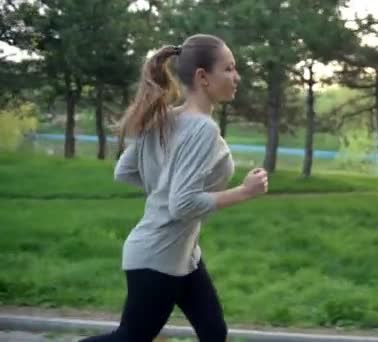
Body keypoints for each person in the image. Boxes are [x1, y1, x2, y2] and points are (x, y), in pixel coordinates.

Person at [80, 34, 268, 342]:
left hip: (185, 255)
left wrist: (163, 185)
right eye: (229, 69)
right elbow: (182, 204)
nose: (237, 77)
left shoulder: (166, 118)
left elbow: (125, 171)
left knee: (213, 333)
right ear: (203, 77)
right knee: (130, 338)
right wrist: (244, 192)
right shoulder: (202, 129)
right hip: (157, 256)